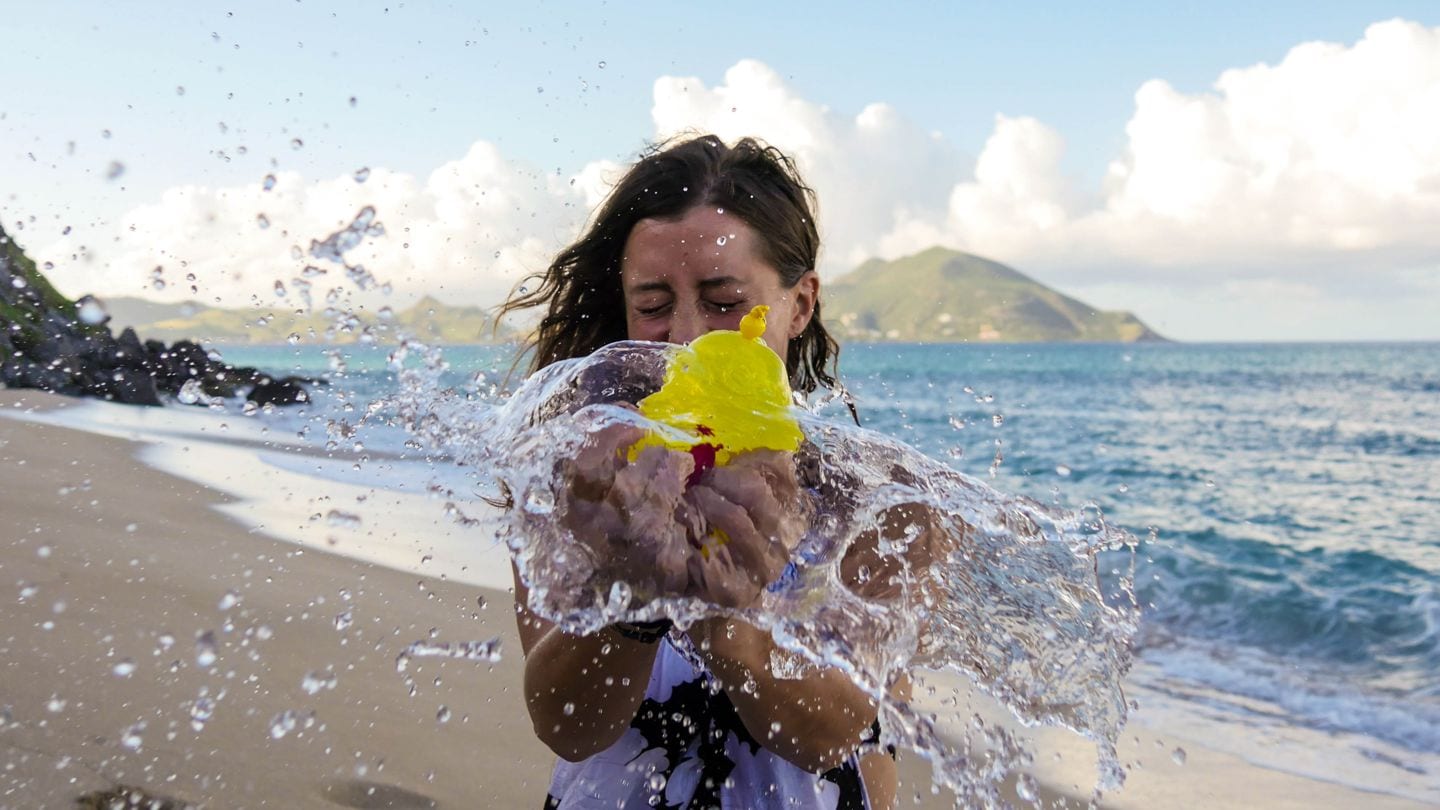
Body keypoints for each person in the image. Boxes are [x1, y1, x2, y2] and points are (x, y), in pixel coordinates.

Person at [499, 134, 904, 810]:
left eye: (723, 301)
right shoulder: (573, 474)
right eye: (653, 305)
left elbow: (837, 734)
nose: (686, 337)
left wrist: (723, 616)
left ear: (800, 304)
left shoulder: (875, 503)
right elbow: (566, 727)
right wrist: (630, 601)